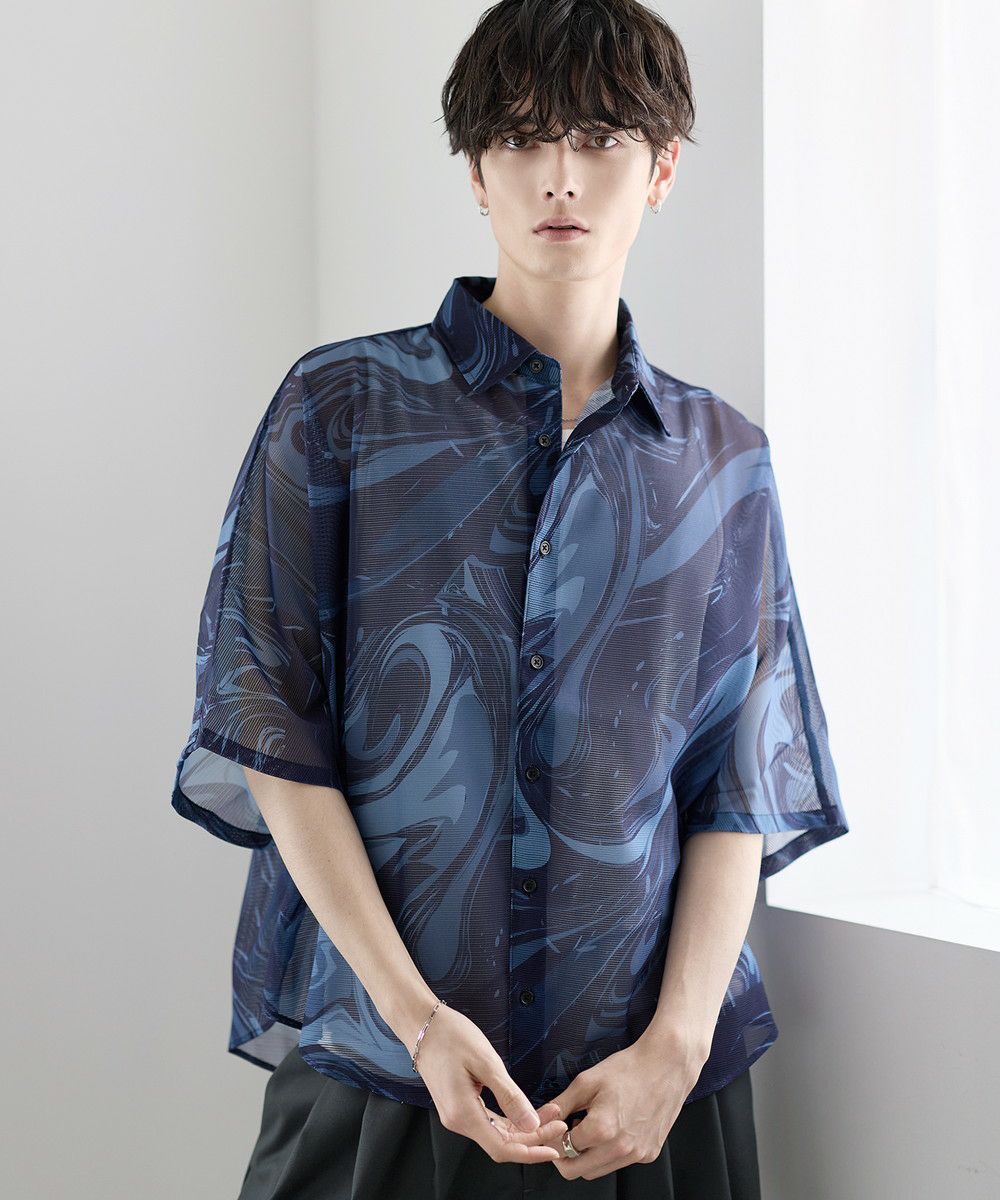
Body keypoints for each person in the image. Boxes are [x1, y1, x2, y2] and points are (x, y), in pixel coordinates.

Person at [171, 1, 849, 1196]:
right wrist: (420, 1021)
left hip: (646, 1096)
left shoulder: (720, 459)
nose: (560, 177)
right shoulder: (342, 409)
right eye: (522, 139)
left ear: (662, 171)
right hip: (387, 1063)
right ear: (476, 172)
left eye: (599, 139)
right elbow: (270, 723)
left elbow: (740, 771)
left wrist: (675, 1049)